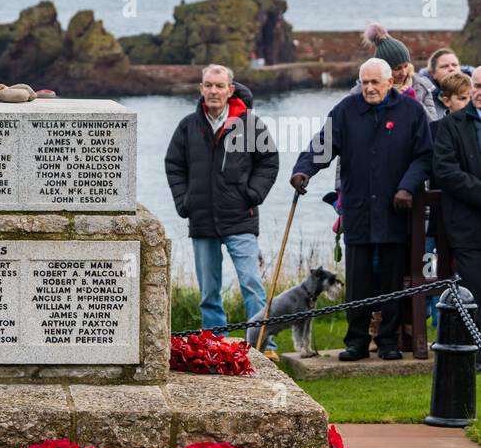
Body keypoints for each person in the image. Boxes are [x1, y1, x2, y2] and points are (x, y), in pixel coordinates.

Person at [291, 58, 433, 361]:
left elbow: (424, 156)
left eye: (375, 83)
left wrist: (407, 187)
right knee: (358, 280)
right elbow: (322, 146)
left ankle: (388, 342)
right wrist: (303, 170)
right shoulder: (346, 110)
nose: (369, 88)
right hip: (357, 209)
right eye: (364, 82)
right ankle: (356, 341)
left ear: (389, 83)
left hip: (395, 209)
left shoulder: (411, 112)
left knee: (392, 278)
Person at [165, 65, 279, 352]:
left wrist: (252, 194)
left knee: (252, 284)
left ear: (230, 89)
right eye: (208, 85)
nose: (213, 91)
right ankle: (213, 345)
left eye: (219, 86)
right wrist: (184, 201)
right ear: (201, 89)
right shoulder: (187, 126)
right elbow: (174, 165)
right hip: (202, 220)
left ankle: (264, 344)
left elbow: (269, 162)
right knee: (209, 293)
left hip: (241, 218)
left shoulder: (250, 125)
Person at [431, 68, 481, 311]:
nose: (480, 92)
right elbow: (445, 170)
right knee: (476, 297)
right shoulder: (450, 125)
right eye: (478, 86)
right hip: (467, 226)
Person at [414, 48, 467, 121]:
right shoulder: (423, 98)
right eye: (445, 66)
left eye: (455, 65)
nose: (451, 69)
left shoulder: (475, 93)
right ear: (433, 73)